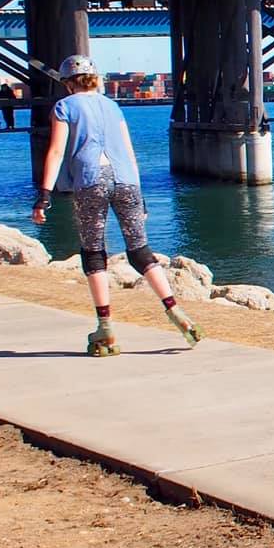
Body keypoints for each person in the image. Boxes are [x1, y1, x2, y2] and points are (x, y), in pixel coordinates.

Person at [30, 55, 201, 357]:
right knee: (140, 251)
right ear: (93, 79)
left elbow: (56, 152)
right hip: (127, 181)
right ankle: (175, 311)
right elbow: (130, 152)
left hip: (91, 181)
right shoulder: (113, 106)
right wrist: (141, 194)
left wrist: (44, 194)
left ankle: (105, 328)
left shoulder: (64, 107)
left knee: (94, 253)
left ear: (68, 83)